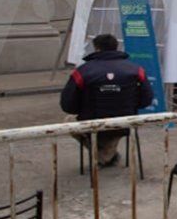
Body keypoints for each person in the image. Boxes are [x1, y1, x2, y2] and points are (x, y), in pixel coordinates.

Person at [60, 34, 155, 166]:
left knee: (69, 121)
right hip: (126, 123)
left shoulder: (82, 72)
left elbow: (67, 105)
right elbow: (147, 99)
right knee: (114, 125)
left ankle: (103, 154)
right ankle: (107, 153)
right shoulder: (136, 70)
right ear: (116, 47)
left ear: (96, 49)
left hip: (91, 123)